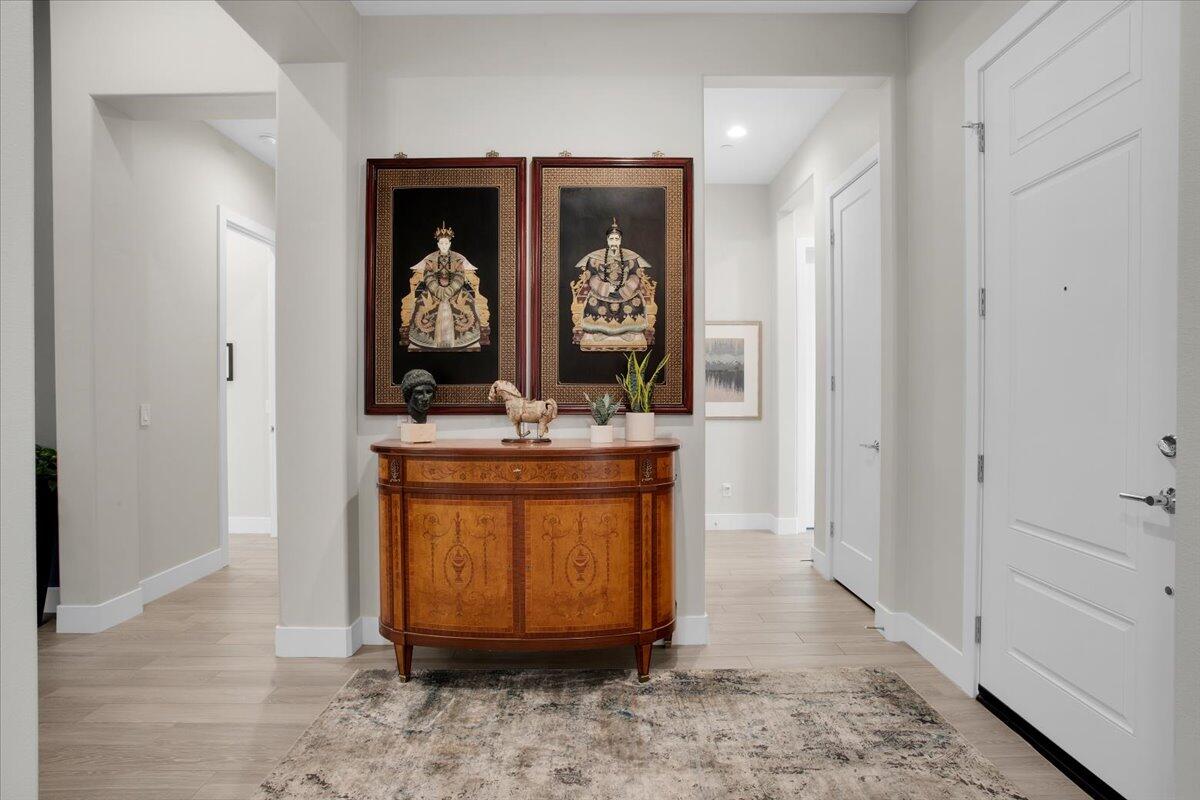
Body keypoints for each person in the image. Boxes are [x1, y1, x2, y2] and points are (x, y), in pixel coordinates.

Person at [569, 217, 657, 351]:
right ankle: (601, 332)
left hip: (625, 293)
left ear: (620, 240)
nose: (614, 242)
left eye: (616, 239)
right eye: (611, 239)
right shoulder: (595, 258)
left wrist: (625, 288)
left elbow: (635, 275)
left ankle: (626, 332)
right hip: (602, 294)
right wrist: (606, 288)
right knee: (593, 304)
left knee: (635, 304)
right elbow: (591, 276)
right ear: (607, 240)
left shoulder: (630, 258)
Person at [399, 222, 490, 351]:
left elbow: (460, 275)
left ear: (450, 244)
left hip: (455, 290)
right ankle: (426, 341)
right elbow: (428, 275)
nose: (444, 246)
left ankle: (465, 340)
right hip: (434, 291)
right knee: (420, 304)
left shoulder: (457, 259)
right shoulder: (431, 259)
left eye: (446, 243)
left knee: (468, 303)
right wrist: (437, 289)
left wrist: (450, 289)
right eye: (441, 243)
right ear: (437, 244)